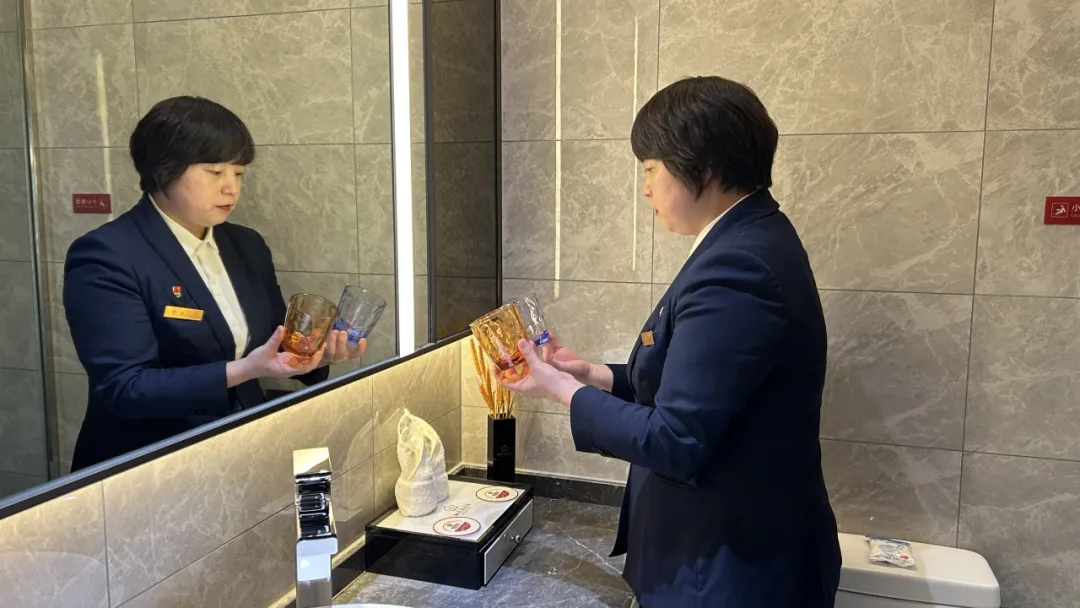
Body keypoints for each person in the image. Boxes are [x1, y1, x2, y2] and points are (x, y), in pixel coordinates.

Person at [498, 77, 842, 607]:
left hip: (729, 572)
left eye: (650, 169)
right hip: (735, 553)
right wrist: (592, 375)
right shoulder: (752, 237)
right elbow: (698, 388)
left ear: (702, 170)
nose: (645, 190)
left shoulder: (737, 267)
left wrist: (560, 391)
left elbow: (676, 439)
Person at [65, 96, 365, 471]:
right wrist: (246, 370)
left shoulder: (246, 245)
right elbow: (125, 387)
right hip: (148, 464)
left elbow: (276, 342)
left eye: (238, 174)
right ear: (163, 170)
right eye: (214, 172)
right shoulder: (107, 254)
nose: (231, 189)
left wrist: (318, 353)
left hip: (238, 452)